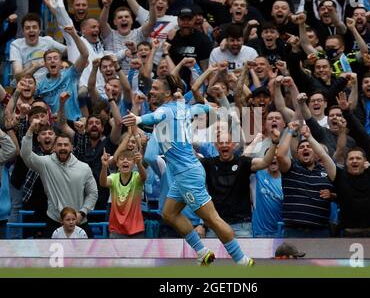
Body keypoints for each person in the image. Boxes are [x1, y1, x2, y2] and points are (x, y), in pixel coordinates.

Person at [123, 75, 254, 266]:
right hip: (183, 174)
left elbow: (154, 117)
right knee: (168, 214)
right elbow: (199, 108)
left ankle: (242, 260)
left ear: (167, 93)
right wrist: (210, 108)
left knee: (213, 220)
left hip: (187, 175)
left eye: (156, 88)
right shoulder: (182, 108)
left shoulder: (164, 111)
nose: (151, 91)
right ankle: (202, 252)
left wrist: (138, 117)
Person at [20, 119, 98, 237]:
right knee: (49, 256)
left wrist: (82, 213)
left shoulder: (84, 168)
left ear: (71, 147)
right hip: (54, 221)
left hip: (79, 222)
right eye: (59, 145)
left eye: (66, 145)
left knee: (90, 255)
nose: (63, 148)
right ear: (54, 148)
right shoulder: (45, 163)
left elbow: (93, 193)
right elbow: (26, 155)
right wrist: (30, 130)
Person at [100, 147, 147, 239]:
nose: (125, 161)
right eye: (121, 159)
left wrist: (139, 164)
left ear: (133, 163)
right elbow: (103, 183)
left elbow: (144, 177)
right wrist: (104, 166)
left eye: (129, 159)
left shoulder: (136, 177)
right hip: (116, 229)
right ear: (117, 163)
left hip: (136, 229)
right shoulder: (114, 178)